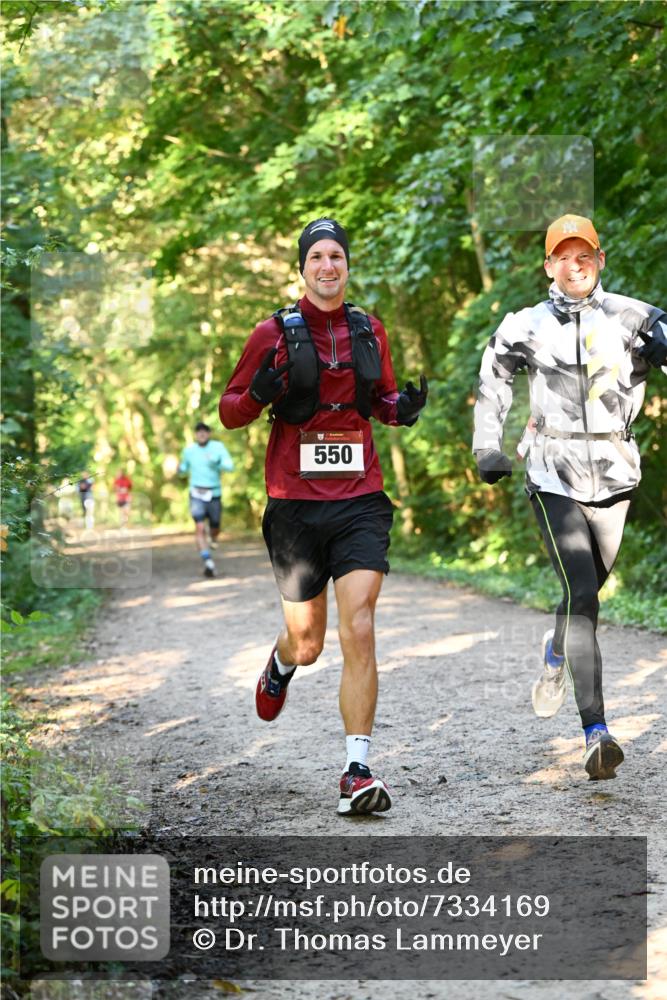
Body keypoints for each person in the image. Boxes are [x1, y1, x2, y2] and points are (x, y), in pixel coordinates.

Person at [219, 217, 428, 815]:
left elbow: (380, 400)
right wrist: (258, 392)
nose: (328, 266)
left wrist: (402, 407)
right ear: (303, 268)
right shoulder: (272, 333)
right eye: (318, 257)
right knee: (310, 642)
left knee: (358, 625)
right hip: (294, 505)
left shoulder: (369, 329)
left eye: (337, 255)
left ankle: (357, 770)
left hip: (360, 498)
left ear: (346, 265)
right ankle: (282, 663)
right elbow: (231, 411)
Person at [472, 213, 666, 781]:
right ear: (549, 265)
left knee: (582, 596)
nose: (574, 265)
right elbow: (493, 377)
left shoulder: (634, 317)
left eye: (584, 256)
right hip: (551, 471)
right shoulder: (526, 324)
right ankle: (596, 733)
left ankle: (555, 652)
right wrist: (489, 446)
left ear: (599, 261)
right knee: (583, 590)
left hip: (615, 475)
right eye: (563, 256)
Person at [179, 422, 234, 577]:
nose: (201, 434)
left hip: (214, 493)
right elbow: (183, 470)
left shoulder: (218, 447)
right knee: (200, 527)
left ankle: (214, 537)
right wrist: (178, 468)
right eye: (198, 432)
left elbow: (230, 466)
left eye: (204, 432)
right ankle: (208, 561)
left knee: (215, 527)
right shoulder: (189, 450)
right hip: (196, 493)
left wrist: (216, 462)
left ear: (209, 434)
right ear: (195, 435)